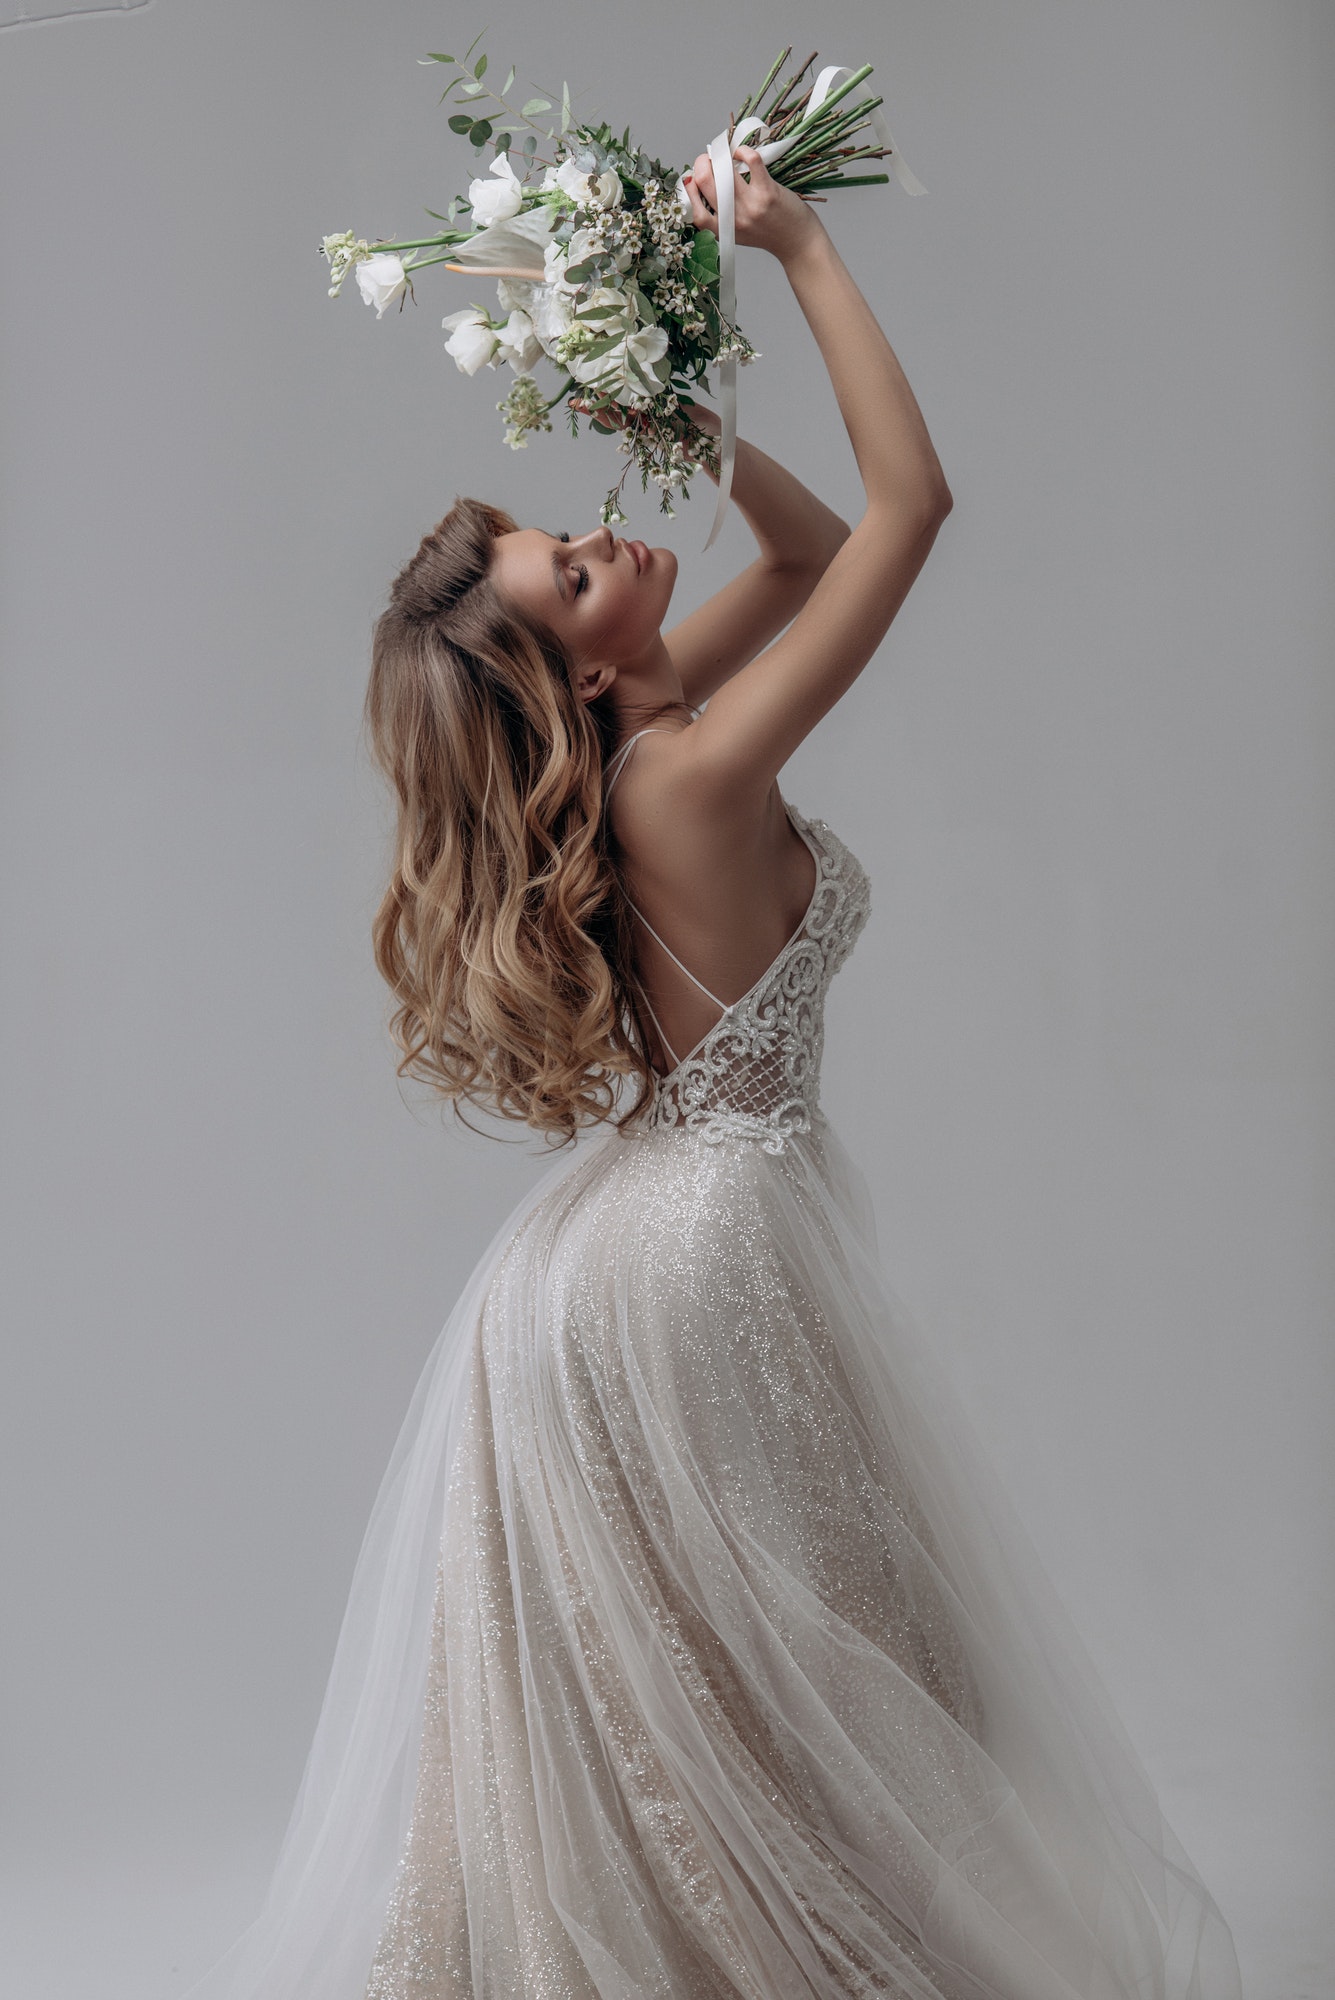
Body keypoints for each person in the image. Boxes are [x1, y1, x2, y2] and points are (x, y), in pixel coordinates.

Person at [184, 147, 1242, 2000]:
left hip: (652, 1240)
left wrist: (692, 417)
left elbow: (812, 553)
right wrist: (802, 251)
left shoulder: (656, 730)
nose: (608, 535)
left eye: (576, 526)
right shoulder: (684, 774)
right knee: (834, 1661)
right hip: (704, 1256)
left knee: (794, 1663)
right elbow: (909, 512)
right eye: (577, 565)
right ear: (576, 679)